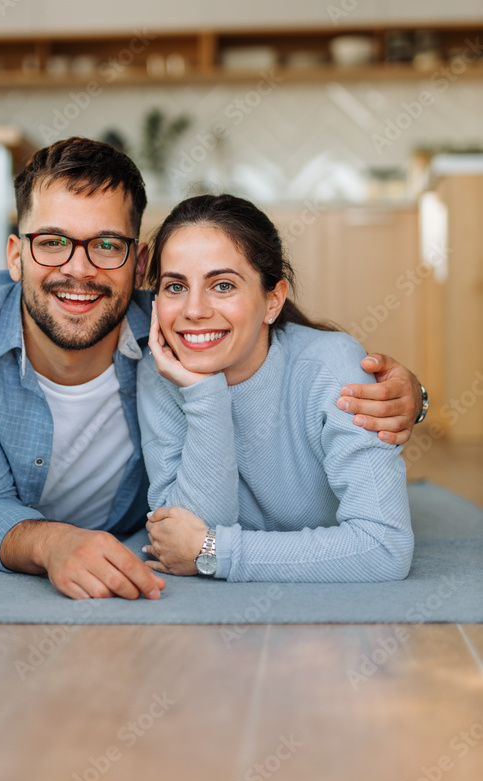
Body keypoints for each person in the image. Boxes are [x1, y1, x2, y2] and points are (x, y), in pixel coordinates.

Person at [0, 138, 423, 600]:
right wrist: (52, 543)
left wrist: (411, 397)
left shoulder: (173, 337)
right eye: (52, 241)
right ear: (16, 256)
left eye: (107, 244)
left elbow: (288, 351)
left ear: (138, 265)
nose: (79, 269)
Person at [138, 194, 415, 583]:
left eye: (222, 285)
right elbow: (181, 536)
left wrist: (216, 551)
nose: (194, 310)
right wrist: (205, 395)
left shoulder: (331, 366)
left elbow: (384, 546)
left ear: (273, 301)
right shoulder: (159, 371)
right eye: (175, 287)